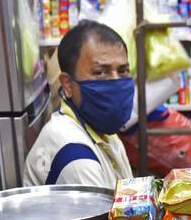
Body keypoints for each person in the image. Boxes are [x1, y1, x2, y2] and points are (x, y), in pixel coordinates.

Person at [24, 19, 134, 188]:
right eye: (100, 72)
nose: (116, 82)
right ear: (68, 84)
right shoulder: (75, 155)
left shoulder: (105, 133)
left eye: (123, 71)